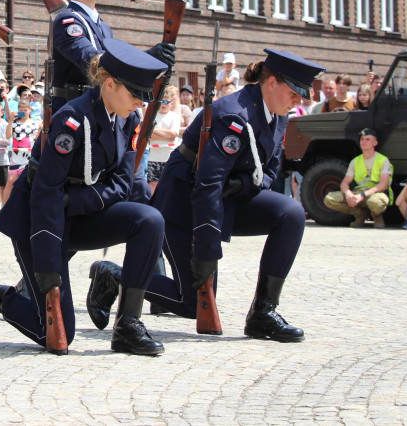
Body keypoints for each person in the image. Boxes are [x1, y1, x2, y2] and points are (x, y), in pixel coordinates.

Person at [86, 49, 326, 343]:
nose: (298, 101)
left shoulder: (277, 114)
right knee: (191, 303)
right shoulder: (234, 115)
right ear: (272, 83)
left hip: (224, 202)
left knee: (290, 213)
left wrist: (244, 185)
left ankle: (264, 313)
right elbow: (207, 185)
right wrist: (207, 250)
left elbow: (270, 171)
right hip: (184, 206)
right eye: (294, 92)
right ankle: (115, 277)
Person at [0, 39, 168, 355]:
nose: (141, 102)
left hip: (77, 214)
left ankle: (128, 325)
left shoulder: (127, 120)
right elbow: (46, 195)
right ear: (109, 84)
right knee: (57, 335)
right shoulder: (73, 120)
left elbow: (122, 184)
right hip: (39, 223)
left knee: (149, 220)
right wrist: (48, 271)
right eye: (135, 94)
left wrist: (79, 201)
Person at [49, 0, 175, 116]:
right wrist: (145, 58)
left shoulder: (103, 27)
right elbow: (94, 62)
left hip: (99, 111)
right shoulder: (68, 21)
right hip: (73, 114)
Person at [323, 128, 393, 228]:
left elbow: (383, 185)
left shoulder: (383, 160)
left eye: (368, 139)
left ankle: (377, 217)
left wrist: (363, 195)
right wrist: (348, 194)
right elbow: (344, 183)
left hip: (375, 193)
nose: (364, 142)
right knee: (329, 199)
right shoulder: (355, 161)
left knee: (375, 202)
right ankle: (360, 214)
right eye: (362, 139)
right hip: (358, 194)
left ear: (375, 143)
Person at [146, 85, 181, 194]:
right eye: (161, 101)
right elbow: (148, 135)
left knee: (168, 184)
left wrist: (155, 130)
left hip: (168, 156)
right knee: (153, 184)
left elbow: (172, 135)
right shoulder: (152, 116)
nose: (163, 104)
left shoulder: (174, 117)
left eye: (166, 102)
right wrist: (162, 134)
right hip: (153, 156)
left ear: (171, 103)